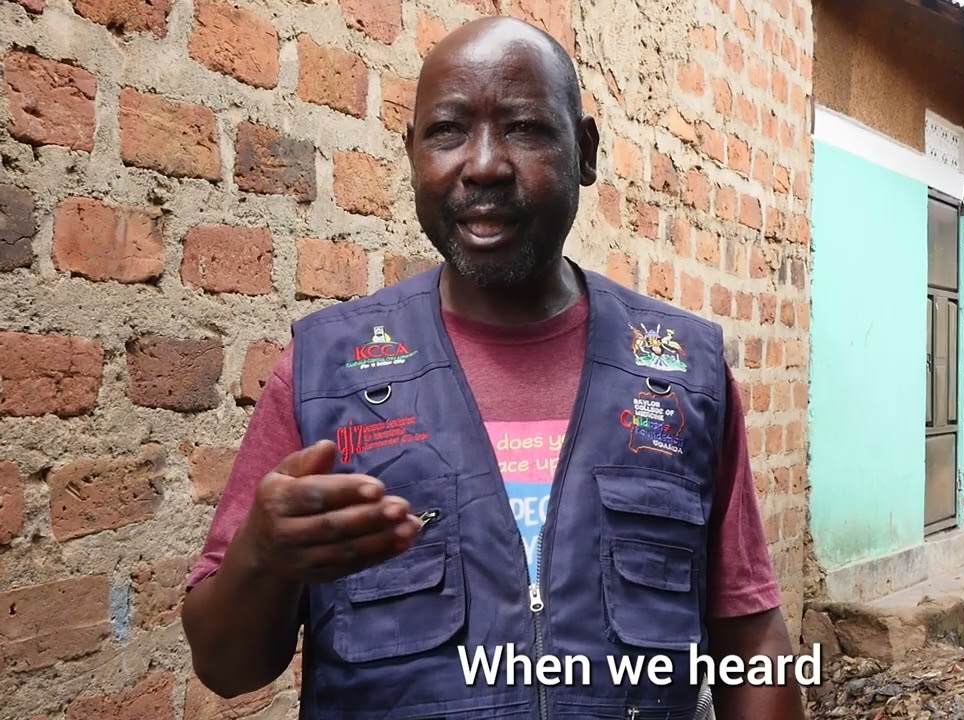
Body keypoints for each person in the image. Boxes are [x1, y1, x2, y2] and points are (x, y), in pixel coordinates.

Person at [179, 15, 806, 720]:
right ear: (412, 153)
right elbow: (227, 670)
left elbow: (749, 638)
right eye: (449, 131)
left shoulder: (683, 372)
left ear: (586, 152)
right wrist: (262, 555)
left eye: (525, 129)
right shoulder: (326, 373)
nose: (483, 164)